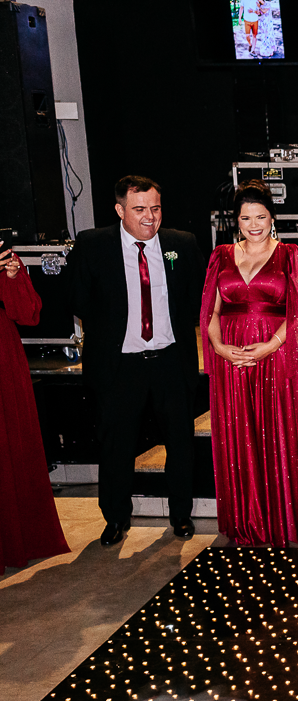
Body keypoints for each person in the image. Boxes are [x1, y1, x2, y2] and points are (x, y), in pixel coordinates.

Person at [69, 176, 204, 546]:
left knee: (180, 443)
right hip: (119, 366)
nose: (150, 217)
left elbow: (195, 299)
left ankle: (180, 516)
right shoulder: (93, 245)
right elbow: (79, 299)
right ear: (120, 210)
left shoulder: (181, 244)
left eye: (155, 208)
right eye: (140, 209)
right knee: (116, 447)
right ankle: (115, 519)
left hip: (170, 363)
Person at [200, 180, 298, 546]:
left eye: (260, 216)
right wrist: (220, 347)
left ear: (272, 218)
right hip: (232, 359)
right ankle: (246, 518)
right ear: (236, 221)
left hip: (275, 358)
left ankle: (283, 518)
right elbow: (210, 309)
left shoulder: (290, 255)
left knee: (278, 433)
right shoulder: (220, 255)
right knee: (239, 435)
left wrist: (269, 345)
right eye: (245, 218)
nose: (253, 224)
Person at [0, 247, 69, 569]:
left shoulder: (4, 255)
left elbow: (28, 314)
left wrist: (13, 277)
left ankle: (18, 538)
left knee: (11, 444)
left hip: (4, 353)